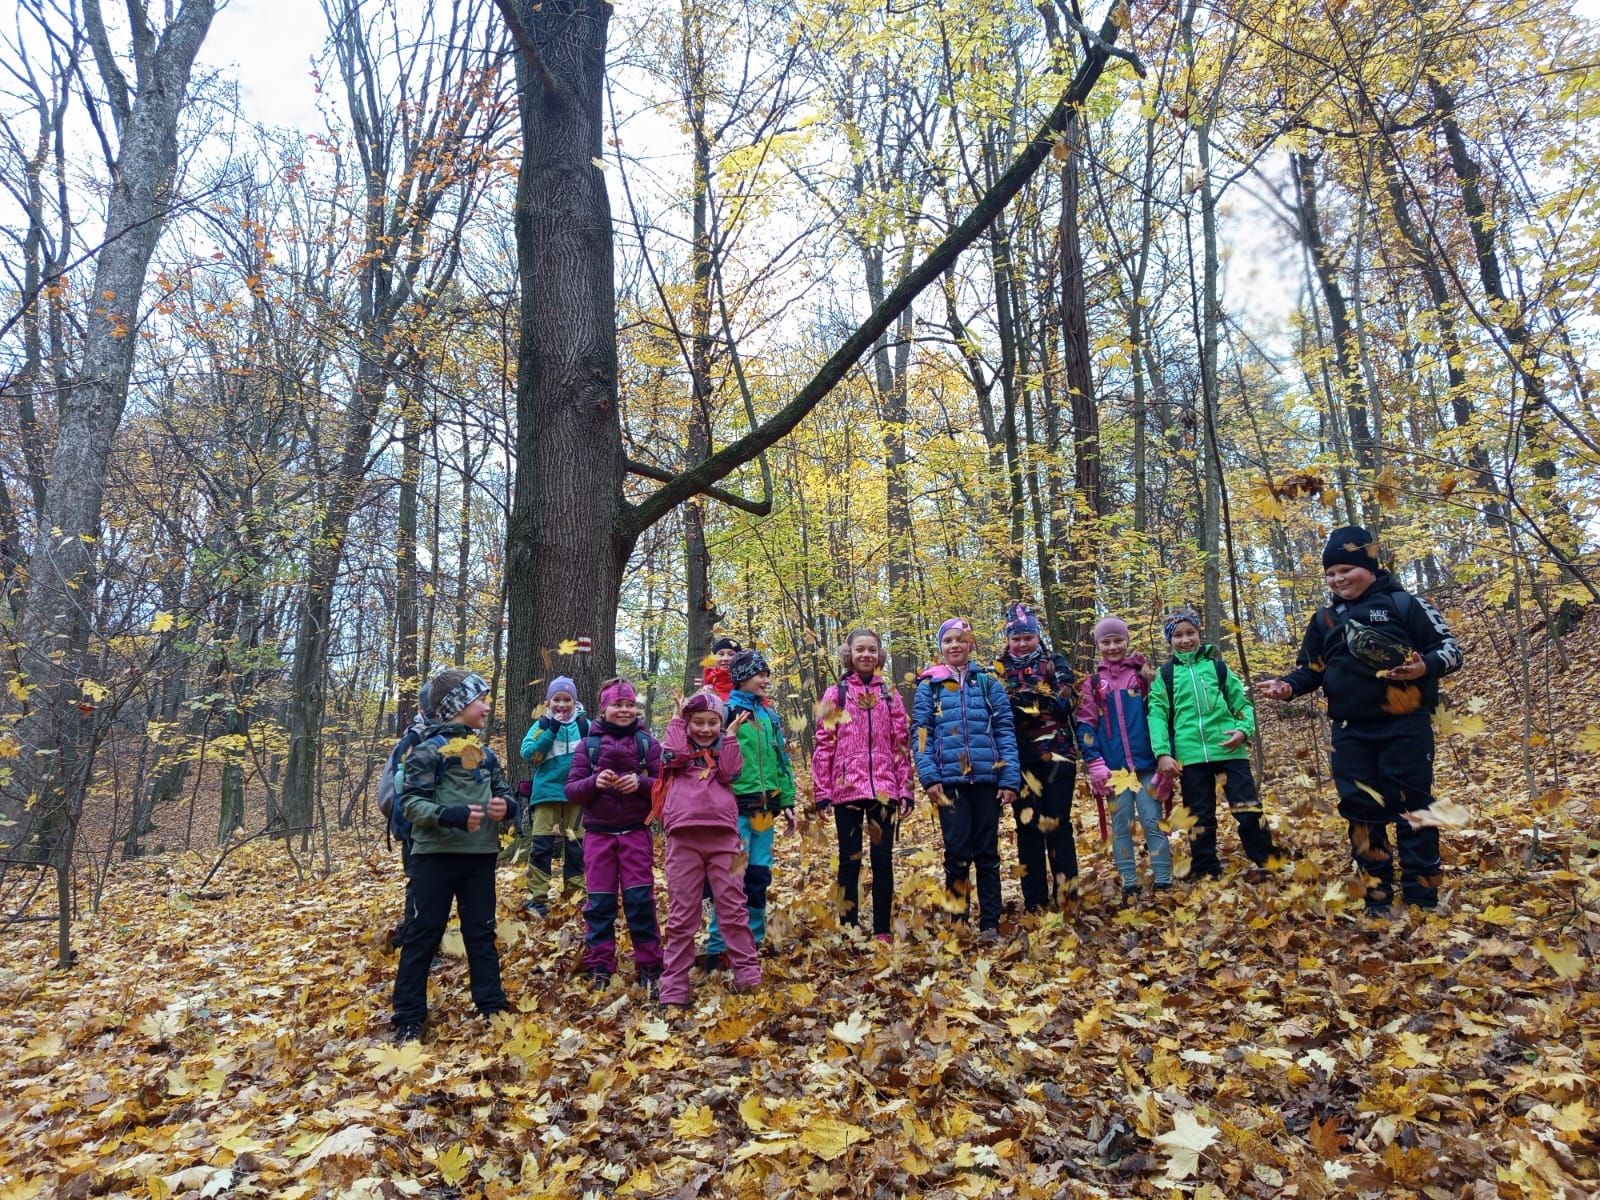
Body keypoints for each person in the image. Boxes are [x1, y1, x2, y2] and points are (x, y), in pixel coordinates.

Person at [1256, 526, 1463, 912]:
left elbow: (1451, 650)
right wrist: (1287, 686)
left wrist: (1424, 668)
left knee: (1413, 808)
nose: (1337, 580)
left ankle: (1422, 898)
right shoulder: (1324, 620)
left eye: (1345, 570)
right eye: (1330, 574)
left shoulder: (1406, 604)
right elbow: (1311, 670)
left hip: (1406, 725)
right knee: (1360, 812)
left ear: (1368, 566)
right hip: (1350, 732)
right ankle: (1377, 896)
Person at [391, 670, 518, 1043]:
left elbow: (505, 793)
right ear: (457, 706)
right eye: (481, 699)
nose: (486, 706)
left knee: (480, 932)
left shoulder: (485, 754)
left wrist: (505, 808)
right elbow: (412, 803)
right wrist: (451, 815)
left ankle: (491, 1006)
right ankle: (409, 1017)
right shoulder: (427, 751)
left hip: (479, 857)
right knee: (422, 934)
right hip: (434, 857)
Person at [1148, 606, 1280, 878]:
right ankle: (1206, 868)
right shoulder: (1166, 675)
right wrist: (1162, 753)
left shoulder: (1218, 667)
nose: (1185, 640)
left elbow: (1241, 704)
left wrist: (1243, 731)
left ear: (1199, 633)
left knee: (1247, 808)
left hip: (1229, 749)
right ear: (1169, 641)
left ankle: (1267, 861)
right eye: (1178, 635)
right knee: (1200, 815)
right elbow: (1157, 714)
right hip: (1190, 755)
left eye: (1190, 633)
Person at [913, 617, 1020, 942]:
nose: (955, 645)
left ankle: (990, 924)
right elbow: (920, 734)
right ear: (941, 647)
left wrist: (1009, 779)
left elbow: (1004, 729)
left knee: (987, 853)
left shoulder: (988, 683)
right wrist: (929, 777)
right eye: (948, 641)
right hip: (949, 782)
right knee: (957, 852)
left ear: (970, 644)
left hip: (987, 781)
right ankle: (958, 923)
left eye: (961, 639)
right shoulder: (928, 686)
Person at [654, 692, 761, 1007]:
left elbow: (731, 772)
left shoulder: (725, 745)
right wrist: (676, 717)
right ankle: (674, 984)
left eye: (711, 722)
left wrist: (729, 736)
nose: (704, 729)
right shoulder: (679, 752)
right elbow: (670, 755)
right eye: (697, 722)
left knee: (733, 907)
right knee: (682, 914)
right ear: (687, 725)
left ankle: (748, 974)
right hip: (683, 839)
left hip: (724, 839)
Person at [811, 628, 913, 941]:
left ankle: (881, 929)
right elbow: (824, 742)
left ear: (879, 655)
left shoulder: (889, 694)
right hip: (846, 791)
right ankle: (849, 927)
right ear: (850, 654)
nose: (866, 655)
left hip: (884, 789)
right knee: (849, 860)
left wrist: (905, 789)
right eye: (860, 650)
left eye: (872, 650)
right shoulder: (836, 694)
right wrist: (822, 792)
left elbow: (901, 743)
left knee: (882, 861)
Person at [565, 677, 665, 989]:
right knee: (600, 903)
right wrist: (594, 782)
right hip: (598, 836)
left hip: (636, 833)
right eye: (617, 705)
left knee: (639, 900)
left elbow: (667, 786)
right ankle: (600, 967)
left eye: (630, 705)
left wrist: (642, 784)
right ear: (603, 708)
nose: (624, 710)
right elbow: (571, 790)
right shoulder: (587, 745)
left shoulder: (648, 742)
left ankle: (650, 964)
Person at [704, 649, 796, 969]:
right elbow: (709, 763)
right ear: (743, 678)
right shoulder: (726, 713)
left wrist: (787, 802)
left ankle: (752, 941)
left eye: (767, 674)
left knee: (759, 875)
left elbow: (782, 761)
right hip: (734, 810)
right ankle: (718, 945)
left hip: (764, 811)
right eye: (760, 675)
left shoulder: (770, 717)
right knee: (732, 879)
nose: (765, 680)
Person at [1077, 616, 1173, 899]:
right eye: (1106, 642)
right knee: (1122, 826)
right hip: (1114, 770)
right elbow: (1085, 724)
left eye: (1118, 640)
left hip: (1147, 764)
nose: (1113, 646)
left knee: (1152, 821)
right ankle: (1129, 881)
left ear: (1127, 641)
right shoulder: (1093, 683)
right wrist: (1094, 762)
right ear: (1098, 646)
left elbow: (1161, 715)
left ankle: (1164, 879)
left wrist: (1165, 756)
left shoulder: (1143, 677)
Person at [995, 603, 1079, 911]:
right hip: (1019, 759)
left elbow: (1063, 703)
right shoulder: (998, 669)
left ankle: (1067, 896)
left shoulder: (1054, 663)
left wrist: (1023, 702)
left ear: (1036, 635)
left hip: (1058, 756)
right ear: (1008, 639)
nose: (1021, 644)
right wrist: (1035, 700)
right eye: (1016, 639)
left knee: (1057, 824)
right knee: (1028, 827)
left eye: (1027, 637)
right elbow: (999, 711)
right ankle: (1035, 900)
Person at [518, 676, 587, 916]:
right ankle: (537, 898)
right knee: (541, 847)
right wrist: (551, 730)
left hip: (576, 795)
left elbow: (596, 753)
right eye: (556, 699)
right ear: (548, 702)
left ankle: (577, 895)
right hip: (546, 794)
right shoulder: (541, 725)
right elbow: (530, 755)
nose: (561, 704)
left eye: (566, 699)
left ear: (574, 701)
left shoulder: (584, 725)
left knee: (577, 847)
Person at [702, 637, 741, 701]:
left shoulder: (749, 685)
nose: (725, 658)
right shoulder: (706, 687)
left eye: (731, 654)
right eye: (721, 654)